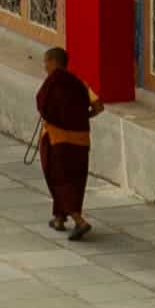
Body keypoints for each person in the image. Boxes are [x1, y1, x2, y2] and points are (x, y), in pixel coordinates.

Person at [34, 44, 99, 240]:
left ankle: (80, 221)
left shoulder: (53, 81)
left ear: (53, 62)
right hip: (81, 140)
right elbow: (99, 107)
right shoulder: (80, 83)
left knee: (59, 179)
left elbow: (42, 104)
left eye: (46, 62)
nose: (45, 66)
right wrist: (81, 117)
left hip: (58, 140)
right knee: (75, 181)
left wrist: (59, 119)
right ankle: (59, 218)